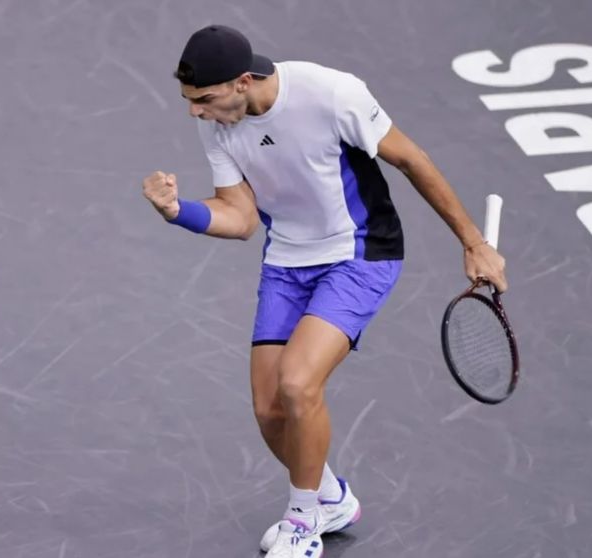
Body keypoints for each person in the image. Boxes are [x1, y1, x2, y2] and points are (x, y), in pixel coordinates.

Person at [141, 24, 508, 558]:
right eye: (190, 101)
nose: (195, 112)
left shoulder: (330, 93)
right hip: (287, 262)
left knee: (297, 382)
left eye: (204, 99)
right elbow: (241, 219)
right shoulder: (219, 122)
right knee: (270, 411)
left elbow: (411, 159)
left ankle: (302, 520)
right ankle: (331, 497)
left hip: (359, 252)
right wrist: (178, 212)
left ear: (243, 81)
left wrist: (473, 242)